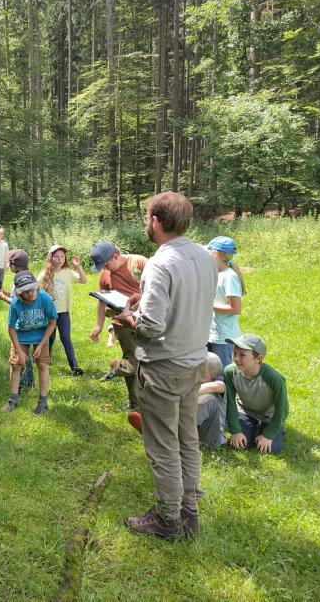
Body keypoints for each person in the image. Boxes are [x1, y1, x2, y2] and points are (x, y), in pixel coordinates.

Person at [116, 191, 217, 539]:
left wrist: (128, 317)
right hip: (195, 360)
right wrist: (144, 298)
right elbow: (189, 299)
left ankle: (168, 519)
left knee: (163, 445)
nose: (147, 223)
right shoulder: (204, 255)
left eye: (147, 217)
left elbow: (150, 327)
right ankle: (190, 513)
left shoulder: (160, 263)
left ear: (156, 221)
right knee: (187, 439)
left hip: (164, 367)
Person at [90, 241, 148, 409]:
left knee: (146, 360)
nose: (105, 269)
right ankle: (134, 403)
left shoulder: (139, 263)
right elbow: (102, 301)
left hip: (146, 319)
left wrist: (139, 302)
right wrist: (99, 326)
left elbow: (157, 287)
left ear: (115, 256)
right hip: (121, 322)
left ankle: (119, 368)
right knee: (132, 356)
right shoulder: (105, 274)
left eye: (107, 264)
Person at [128, 352, 227, 448]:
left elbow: (215, 386)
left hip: (211, 439)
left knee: (209, 399)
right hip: (191, 436)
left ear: (206, 374)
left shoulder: (219, 385)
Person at [2, 271, 58, 414]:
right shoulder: (15, 304)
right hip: (21, 335)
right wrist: (19, 351)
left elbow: (52, 322)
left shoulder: (45, 298)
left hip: (41, 335)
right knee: (16, 365)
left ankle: (43, 403)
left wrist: (41, 345)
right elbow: (11, 328)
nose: (31, 293)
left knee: (43, 365)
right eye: (26, 292)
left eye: (32, 289)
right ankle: (13, 399)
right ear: (19, 293)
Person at [225, 334, 288, 454]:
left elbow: (283, 409)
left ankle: (274, 428)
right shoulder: (230, 372)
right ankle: (253, 427)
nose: (236, 358)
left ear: (258, 358)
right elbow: (230, 402)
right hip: (245, 411)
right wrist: (236, 431)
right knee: (239, 445)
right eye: (235, 353)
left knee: (271, 449)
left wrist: (268, 435)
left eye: (242, 355)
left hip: (269, 415)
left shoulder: (274, 378)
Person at [37, 245, 87, 376]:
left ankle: (74, 366)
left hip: (64, 312)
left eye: (62, 257)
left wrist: (78, 267)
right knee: (50, 338)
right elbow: (36, 291)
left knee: (66, 338)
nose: (60, 259)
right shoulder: (44, 274)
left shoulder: (68, 272)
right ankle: (46, 359)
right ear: (51, 258)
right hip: (49, 313)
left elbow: (84, 280)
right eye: (57, 257)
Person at [0, 248, 34, 389]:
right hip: (30, 321)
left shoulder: (19, 279)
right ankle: (29, 382)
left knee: (18, 354)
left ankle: (21, 385)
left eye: (10, 264)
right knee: (26, 351)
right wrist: (5, 292)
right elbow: (18, 296)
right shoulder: (28, 276)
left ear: (14, 265)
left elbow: (18, 303)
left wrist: (2, 297)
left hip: (20, 323)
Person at [206, 236, 246, 370]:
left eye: (209, 250)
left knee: (222, 374)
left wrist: (207, 305)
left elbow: (235, 308)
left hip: (224, 338)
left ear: (215, 253)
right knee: (209, 374)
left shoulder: (229, 277)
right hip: (211, 334)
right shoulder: (216, 273)